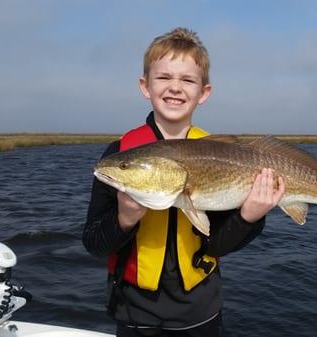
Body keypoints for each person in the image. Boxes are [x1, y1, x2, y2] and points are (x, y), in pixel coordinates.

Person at [83, 27, 285, 337]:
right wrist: (123, 220)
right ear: (145, 86)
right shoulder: (119, 154)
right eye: (163, 77)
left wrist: (249, 217)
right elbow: (94, 243)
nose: (175, 88)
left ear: (204, 92)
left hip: (200, 313)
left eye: (187, 80)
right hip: (134, 313)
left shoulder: (224, 152)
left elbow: (216, 244)